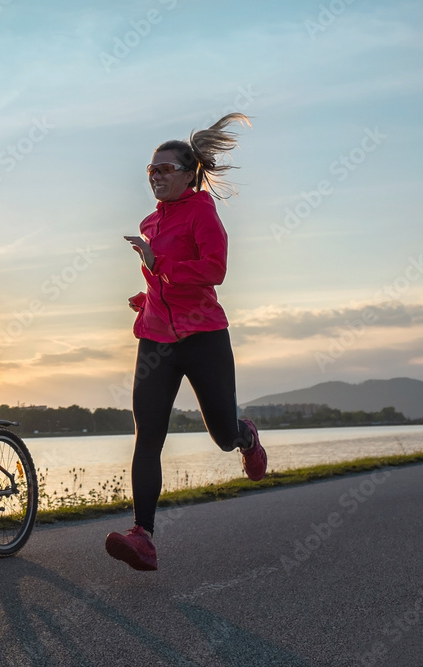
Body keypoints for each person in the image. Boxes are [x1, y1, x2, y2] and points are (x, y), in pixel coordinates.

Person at [105, 113, 268, 571]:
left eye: (164, 169)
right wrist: (148, 296)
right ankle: (143, 536)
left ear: (189, 172)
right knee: (148, 435)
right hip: (156, 339)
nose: (155, 175)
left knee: (220, 434)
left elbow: (213, 270)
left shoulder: (201, 212)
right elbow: (163, 279)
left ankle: (245, 437)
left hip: (204, 337)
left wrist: (161, 269)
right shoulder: (150, 222)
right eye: (150, 170)